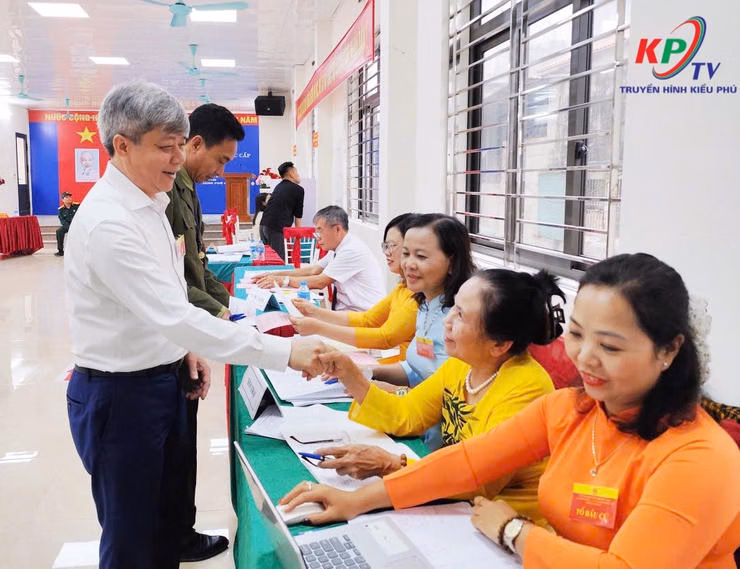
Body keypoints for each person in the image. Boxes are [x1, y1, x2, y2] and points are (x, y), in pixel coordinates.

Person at [281, 253, 740, 568]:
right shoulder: (571, 409)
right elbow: (468, 461)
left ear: (669, 350)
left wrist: (515, 533)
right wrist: (357, 500)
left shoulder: (699, 458)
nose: (585, 359)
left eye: (611, 346)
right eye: (578, 335)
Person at [64, 81, 327, 569]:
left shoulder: (151, 203)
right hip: (122, 397)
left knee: (165, 520)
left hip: (159, 378)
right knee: (132, 538)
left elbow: (166, 297)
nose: (177, 158)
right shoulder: (110, 223)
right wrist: (286, 353)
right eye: (165, 147)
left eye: (180, 145)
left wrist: (183, 350)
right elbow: (175, 314)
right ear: (122, 145)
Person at [306, 269, 564, 524]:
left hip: (505, 523)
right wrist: (351, 375)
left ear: (499, 345)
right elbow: (406, 414)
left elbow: (478, 479)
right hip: (458, 506)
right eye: (453, 308)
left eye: (461, 315)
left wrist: (391, 465)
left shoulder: (528, 388)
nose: (446, 321)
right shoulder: (462, 365)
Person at [164, 102, 243, 561]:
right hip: (172, 333)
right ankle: (177, 534)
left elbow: (197, 265)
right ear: (195, 144)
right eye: (220, 160)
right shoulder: (168, 191)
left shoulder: (188, 189)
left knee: (183, 443)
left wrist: (228, 304)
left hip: (187, 330)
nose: (221, 171)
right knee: (175, 448)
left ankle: (181, 530)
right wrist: (219, 312)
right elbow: (174, 279)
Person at [290, 213, 418, 359]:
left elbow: (385, 338)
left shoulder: (418, 295)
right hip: (394, 360)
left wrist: (319, 327)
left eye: (392, 246)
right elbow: (368, 319)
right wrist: (315, 312)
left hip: (390, 356)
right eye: (385, 246)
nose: (387, 253)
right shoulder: (403, 287)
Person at [255, 205, 385, 311]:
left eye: (320, 231)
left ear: (337, 229)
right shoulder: (338, 247)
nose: (318, 237)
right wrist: (273, 274)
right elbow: (313, 270)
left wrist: (283, 281)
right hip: (347, 312)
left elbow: (320, 281)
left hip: (363, 315)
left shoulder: (350, 250)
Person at [258, 161, 304, 261]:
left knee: (268, 260)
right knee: (278, 262)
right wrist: (298, 237)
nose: (298, 175)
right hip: (275, 229)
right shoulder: (298, 189)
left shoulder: (279, 187)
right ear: (291, 173)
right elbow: (298, 215)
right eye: (296, 172)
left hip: (263, 226)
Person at [55, 191, 79, 256]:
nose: (69, 198)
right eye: (67, 197)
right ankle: (60, 251)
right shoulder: (61, 210)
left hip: (77, 225)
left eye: (70, 197)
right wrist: (69, 228)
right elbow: (62, 221)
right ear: (63, 200)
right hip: (68, 225)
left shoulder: (77, 206)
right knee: (59, 231)